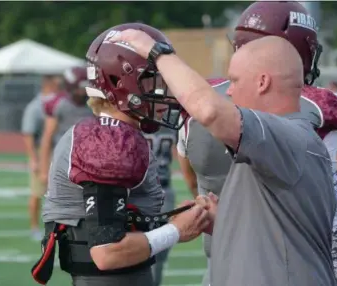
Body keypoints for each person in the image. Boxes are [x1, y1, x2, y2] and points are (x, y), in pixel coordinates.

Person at [111, 27, 337, 286]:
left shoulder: (288, 135)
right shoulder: (278, 145)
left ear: (262, 82)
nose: (228, 92)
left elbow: (209, 111)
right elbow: (282, 236)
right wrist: (224, 220)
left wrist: (157, 52)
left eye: (235, 81)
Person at [178, 2, 337, 286]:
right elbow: (332, 222)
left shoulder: (198, 104)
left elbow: (189, 173)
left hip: (220, 265)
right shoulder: (314, 109)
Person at [31, 23, 209, 286]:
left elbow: (122, 219)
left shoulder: (109, 132)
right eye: (154, 80)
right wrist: (176, 231)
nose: (163, 89)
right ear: (121, 82)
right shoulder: (110, 140)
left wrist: (170, 217)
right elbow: (107, 252)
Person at [21, 75, 61, 241]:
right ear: (49, 85)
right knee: (37, 192)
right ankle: (34, 227)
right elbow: (28, 134)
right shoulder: (35, 107)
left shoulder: (61, 103)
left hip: (58, 150)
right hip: (42, 150)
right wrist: (33, 159)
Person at [39, 66, 93, 185]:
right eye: (80, 88)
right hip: (63, 159)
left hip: (87, 161)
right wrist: (44, 170)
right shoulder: (59, 104)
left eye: (85, 88)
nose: (83, 92)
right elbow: (47, 138)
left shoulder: (94, 104)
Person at [144, 125, 179, 286]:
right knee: (156, 253)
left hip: (144, 192)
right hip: (159, 190)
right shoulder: (171, 125)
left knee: (154, 251)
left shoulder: (133, 121)